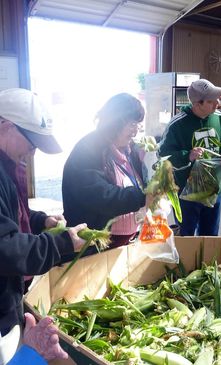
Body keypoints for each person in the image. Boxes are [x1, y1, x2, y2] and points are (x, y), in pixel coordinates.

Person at [0, 88, 86, 364]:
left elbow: (9, 216)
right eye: (31, 140)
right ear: (6, 126)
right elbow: (5, 248)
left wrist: (39, 221)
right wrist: (62, 243)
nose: (33, 149)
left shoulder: (8, 165)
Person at [62, 93, 151, 248]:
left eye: (138, 125)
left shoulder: (130, 149)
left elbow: (141, 181)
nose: (135, 131)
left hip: (126, 242)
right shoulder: (88, 149)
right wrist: (141, 197)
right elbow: (100, 196)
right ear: (116, 122)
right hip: (93, 243)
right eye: (132, 124)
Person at [158, 79, 221, 236]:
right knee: (186, 236)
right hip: (187, 194)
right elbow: (163, 155)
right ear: (197, 103)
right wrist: (188, 155)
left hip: (214, 190)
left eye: (217, 99)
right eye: (211, 101)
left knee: (210, 236)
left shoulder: (220, 119)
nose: (217, 104)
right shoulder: (177, 124)